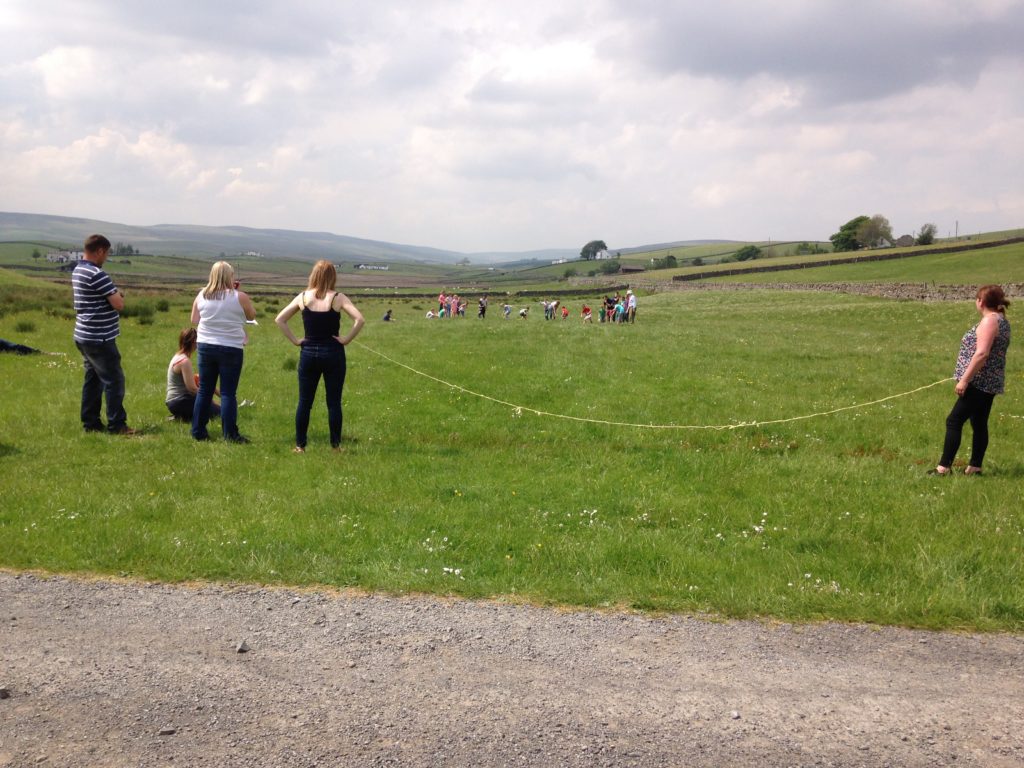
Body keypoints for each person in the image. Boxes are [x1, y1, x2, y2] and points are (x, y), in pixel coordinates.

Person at [275, 260, 364, 453]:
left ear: (313, 275)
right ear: (333, 276)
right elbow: (359, 319)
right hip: (333, 353)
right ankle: (335, 447)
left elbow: (280, 319)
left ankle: (300, 446)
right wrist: (346, 339)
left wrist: (296, 341)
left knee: (304, 402)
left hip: (308, 353)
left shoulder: (303, 297)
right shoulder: (338, 298)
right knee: (333, 402)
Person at [933, 285, 1011, 476]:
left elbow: (982, 353)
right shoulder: (1001, 320)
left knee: (954, 421)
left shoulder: (990, 321)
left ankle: (944, 468)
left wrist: (964, 380)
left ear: (981, 302)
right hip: (990, 381)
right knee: (979, 422)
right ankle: (975, 467)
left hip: (980, 381)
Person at [71, 234, 136, 435]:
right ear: (99, 250)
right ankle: (117, 425)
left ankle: (90, 423)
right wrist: (116, 295)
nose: (106, 257)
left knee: (94, 379)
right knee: (114, 380)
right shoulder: (97, 274)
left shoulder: (78, 270)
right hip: (99, 337)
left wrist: (112, 294)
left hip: (84, 334)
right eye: (106, 253)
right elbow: (118, 304)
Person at [190, 261, 257, 443]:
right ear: (230, 277)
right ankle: (230, 434)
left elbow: (194, 319)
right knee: (228, 393)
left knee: (205, 390)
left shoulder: (201, 295)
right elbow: (251, 316)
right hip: (231, 347)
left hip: (205, 345)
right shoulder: (239, 296)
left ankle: (198, 430)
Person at [166, 328, 220, 421]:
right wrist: (207, 399)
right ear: (194, 342)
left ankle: (182, 416)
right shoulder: (184, 361)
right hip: (180, 401)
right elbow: (192, 389)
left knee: (211, 408)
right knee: (219, 413)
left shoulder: (177, 357)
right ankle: (183, 416)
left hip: (173, 401)